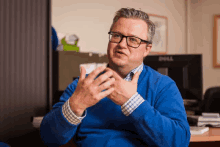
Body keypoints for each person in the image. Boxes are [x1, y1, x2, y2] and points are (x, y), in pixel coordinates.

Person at [40, 8, 191, 147]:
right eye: (117, 36)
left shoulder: (163, 86)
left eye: (133, 40)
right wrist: (76, 105)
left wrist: (132, 102)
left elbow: (179, 142)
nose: (121, 44)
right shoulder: (83, 85)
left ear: (147, 49)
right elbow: (49, 138)